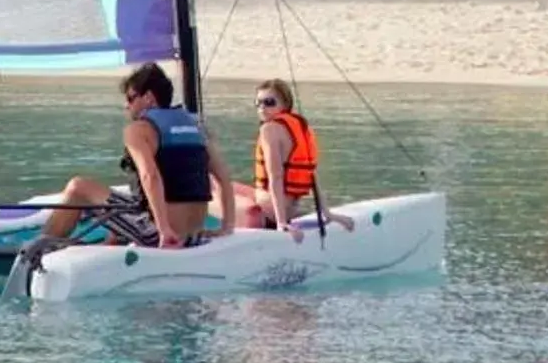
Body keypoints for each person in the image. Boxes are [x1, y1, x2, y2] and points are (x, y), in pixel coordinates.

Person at [40, 61, 236, 248]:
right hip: (195, 235)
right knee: (128, 204)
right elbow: (224, 178)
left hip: (162, 234)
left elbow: (149, 176)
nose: (127, 105)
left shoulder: (139, 130)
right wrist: (227, 227)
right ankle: (113, 243)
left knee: (78, 187)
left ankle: (35, 252)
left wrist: (164, 231)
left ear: (149, 97)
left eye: (131, 98)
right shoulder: (196, 126)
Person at [235, 77, 349, 233]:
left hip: (269, 212)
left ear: (285, 104)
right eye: (258, 103)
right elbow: (312, 175)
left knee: (214, 184)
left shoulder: (269, 129)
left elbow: (275, 176)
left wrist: (280, 223)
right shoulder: (300, 126)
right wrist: (326, 212)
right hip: (290, 208)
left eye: (269, 102)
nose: (262, 108)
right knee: (227, 186)